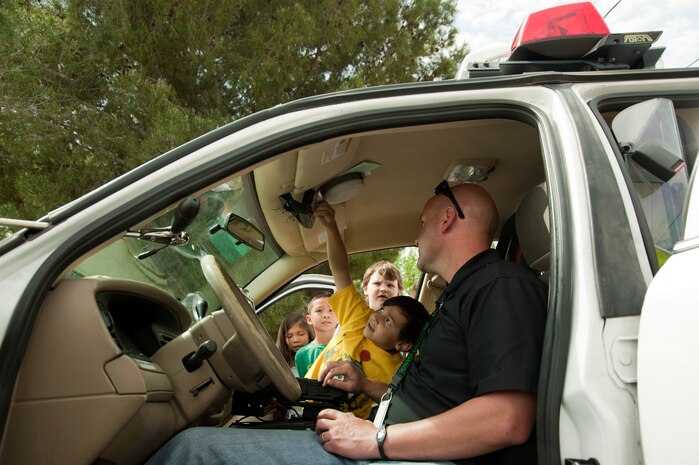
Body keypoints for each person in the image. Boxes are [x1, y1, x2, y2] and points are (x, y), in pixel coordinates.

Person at [145, 182, 548, 465]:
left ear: (446, 219)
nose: (418, 234)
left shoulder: (500, 286)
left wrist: (375, 438)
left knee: (194, 451)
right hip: (390, 442)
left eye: (423, 222)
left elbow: (507, 419)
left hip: (408, 454)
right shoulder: (459, 295)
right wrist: (367, 388)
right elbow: (443, 394)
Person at [300, 201, 429, 419]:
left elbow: (399, 404)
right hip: (301, 402)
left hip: (335, 428)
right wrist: (331, 227)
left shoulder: (396, 374)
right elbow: (340, 269)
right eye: (382, 312)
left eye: (389, 322)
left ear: (403, 344)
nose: (377, 318)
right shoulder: (359, 316)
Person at [294, 291, 338, 377]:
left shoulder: (347, 347)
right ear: (309, 319)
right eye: (319, 310)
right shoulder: (302, 354)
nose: (326, 315)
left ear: (339, 316)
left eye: (331, 310)